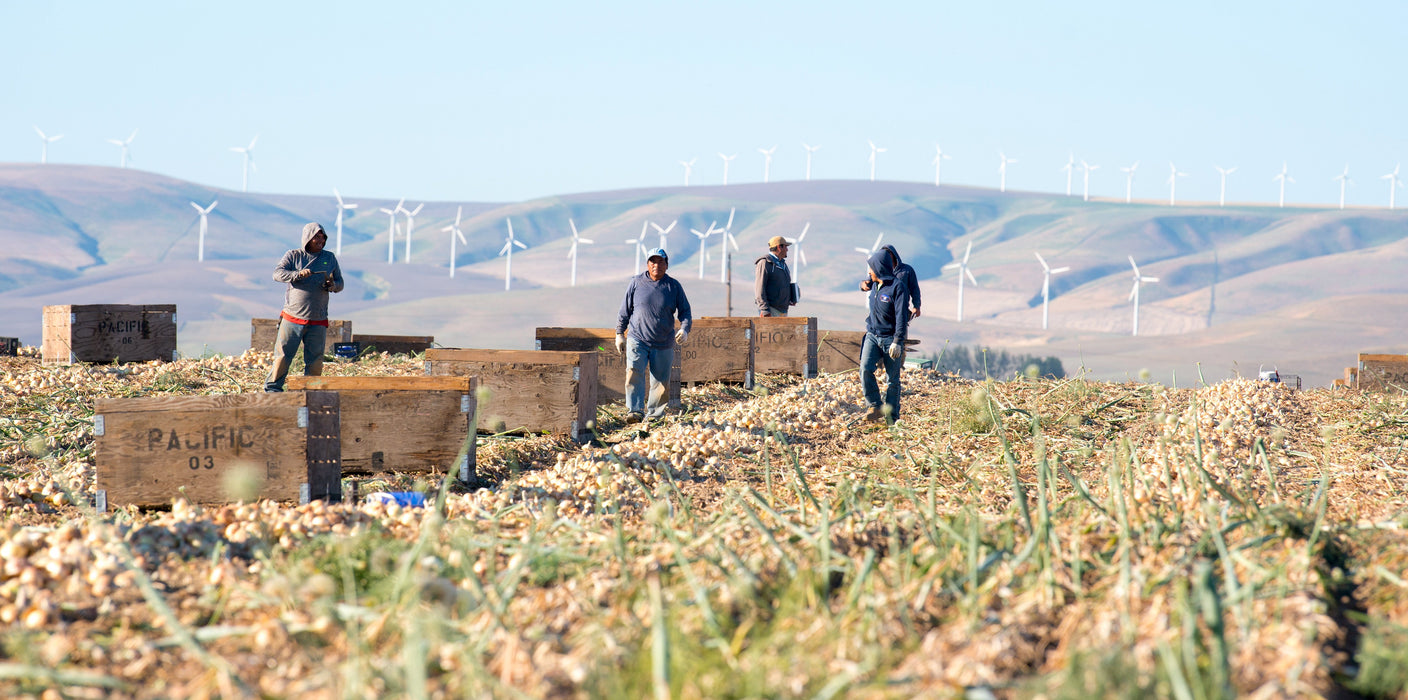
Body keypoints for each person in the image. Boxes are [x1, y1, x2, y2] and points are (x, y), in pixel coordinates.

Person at [265, 223, 343, 392]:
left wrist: (332, 285)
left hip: (318, 319)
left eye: (323, 237)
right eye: (317, 237)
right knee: (284, 356)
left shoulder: (329, 258)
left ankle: (310, 391)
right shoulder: (293, 256)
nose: (320, 240)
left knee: (315, 360)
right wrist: (297, 274)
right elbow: (277, 274)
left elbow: (340, 283)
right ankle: (273, 390)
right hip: (292, 317)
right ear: (308, 238)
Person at [616, 248, 692, 422]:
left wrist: (685, 329)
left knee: (660, 381)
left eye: (660, 261)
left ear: (666, 265)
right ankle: (634, 411)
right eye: (653, 261)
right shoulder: (636, 283)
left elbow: (685, 311)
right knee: (634, 372)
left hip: (664, 341)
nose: (656, 265)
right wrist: (619, 333)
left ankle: (655, 415)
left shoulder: (673, 286)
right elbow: (624, 311)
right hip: (638, 338)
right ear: (647, 264)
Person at [860, 248, 911, 423]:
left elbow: (901, 317)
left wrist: (898, 341)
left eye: (871, 268)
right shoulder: (874, 284)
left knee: (892, 380)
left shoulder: (898, 288)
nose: (869, 272)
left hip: (891, 338)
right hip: (872, 335)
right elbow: (864, 284)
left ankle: (892, 417)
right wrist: (862, 284)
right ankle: (875, 405)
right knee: (865, 368)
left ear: (880, 268)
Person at [859, 244, 921, 319]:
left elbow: (915, 290)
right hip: (882, 312)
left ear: (893, 254)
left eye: (888, 254)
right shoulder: (880, 269)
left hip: (900, 310)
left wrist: (916, 306)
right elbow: (869, 281)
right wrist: (863, 285)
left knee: (899, 328)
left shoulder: (907, 271)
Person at [754, 235, 797, 317]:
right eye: (785, 246)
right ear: (779, 247)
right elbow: (759, 288)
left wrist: (792, 297)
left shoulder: (783, 264)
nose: (787, 249)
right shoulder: (764, 263)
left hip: (783, 310)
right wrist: (765, 310)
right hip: (771, 310)